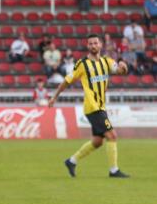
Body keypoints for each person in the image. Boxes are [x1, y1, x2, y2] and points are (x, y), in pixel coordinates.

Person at [49, 34, 130, 178]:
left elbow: (119, 70)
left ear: (100, 45)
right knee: (112, 135)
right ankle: (114, 170)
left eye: (95, 43)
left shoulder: (106, 61)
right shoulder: (82, 64)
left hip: (100, 106)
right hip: (93, 107)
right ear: (87, 46)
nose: (93, 46)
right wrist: (55, 97)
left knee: (98, 141)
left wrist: (124, 67)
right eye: (90, 43)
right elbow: (67, 81)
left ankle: (71, 161)